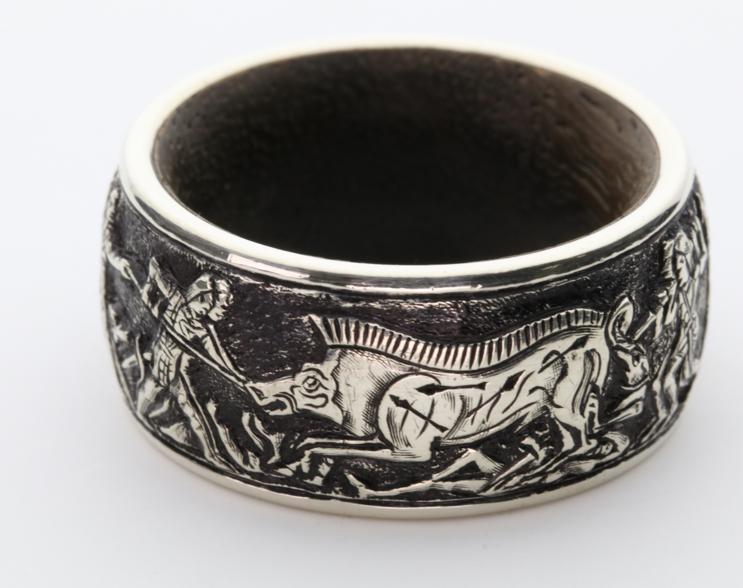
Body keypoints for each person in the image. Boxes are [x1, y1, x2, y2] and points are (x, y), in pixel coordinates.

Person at [135, 257, 240, 472]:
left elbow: (217, 355)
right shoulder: (176, 300)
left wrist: (234, 375)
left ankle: (211, 454)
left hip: (174, 372)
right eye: (208, 302)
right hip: (159, 366)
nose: (206, 310)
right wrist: (148, 286)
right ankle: (140, 411)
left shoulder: (201, 329)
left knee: (193, 413)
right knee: (149, 393)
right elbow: (156, 266)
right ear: (200, 295)